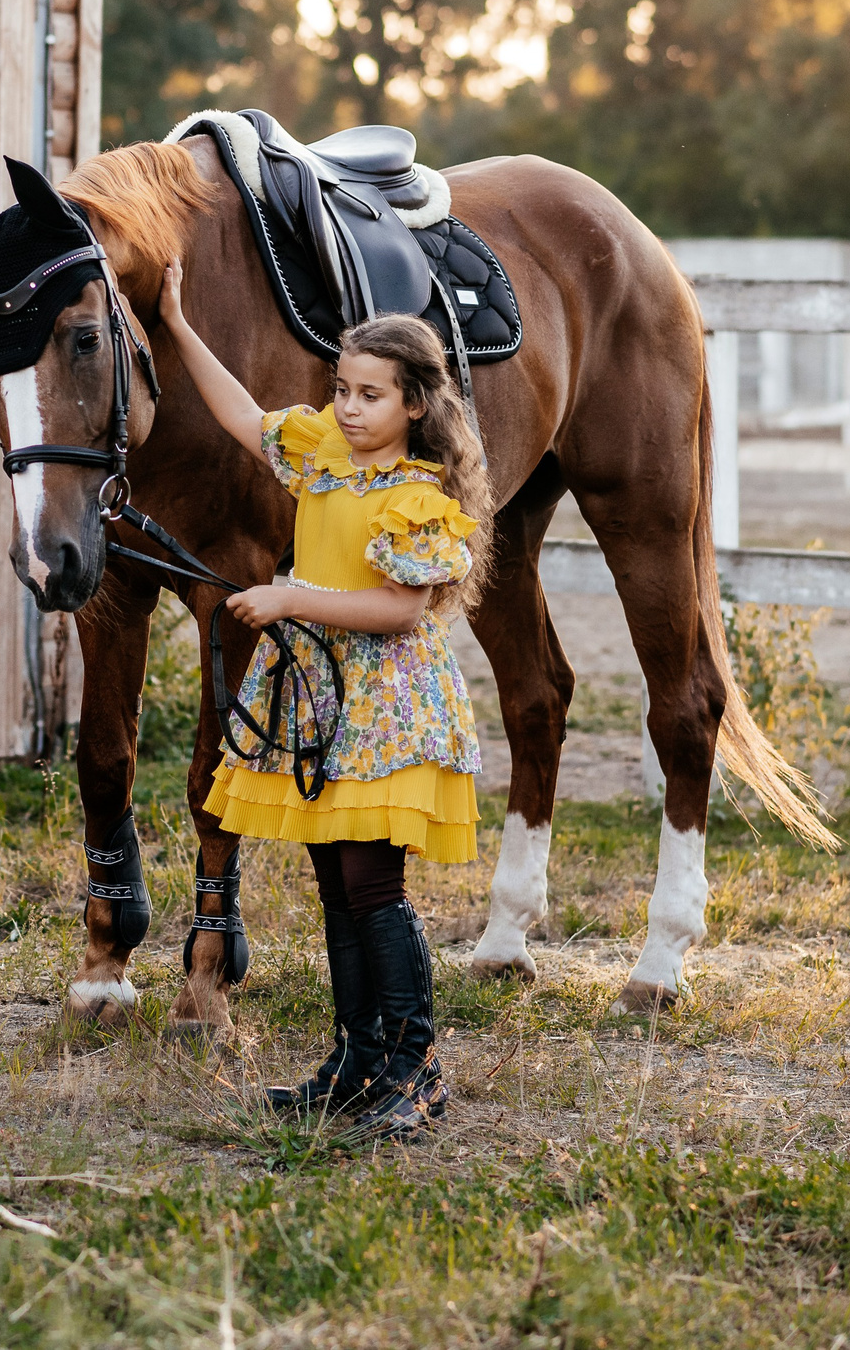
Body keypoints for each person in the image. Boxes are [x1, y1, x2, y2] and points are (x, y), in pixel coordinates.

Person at [156, 274, 489, 1138]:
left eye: (369, 395)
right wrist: (179, 325)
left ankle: (416, 1069)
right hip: (321, 698)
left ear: (415, 404)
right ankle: (356, 1058)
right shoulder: (322, 456)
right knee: (336, 885)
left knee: (375, 884)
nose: (346, 408)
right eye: (340, 389)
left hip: (384, 702)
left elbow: (399, 610)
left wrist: (288, 598)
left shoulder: (418, 496)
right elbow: (240, 415)